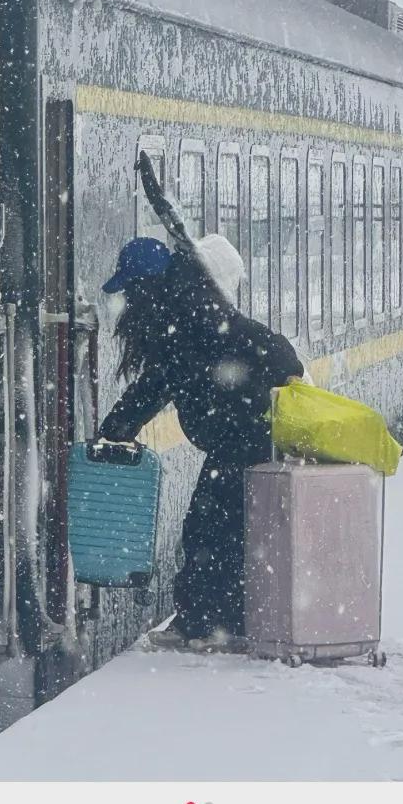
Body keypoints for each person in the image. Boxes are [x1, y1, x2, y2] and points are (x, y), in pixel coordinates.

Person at [97, 235, 303, 649]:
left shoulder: (185, 317)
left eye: (131, 292)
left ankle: (215, 626)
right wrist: (118, 427)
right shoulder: (188, 305)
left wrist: (116, 428)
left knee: (213, 531)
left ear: (146, 286)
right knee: (214, 528)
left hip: (244, 432)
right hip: (240, 430)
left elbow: (155, 384)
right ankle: (205, 622)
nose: (128, 307)